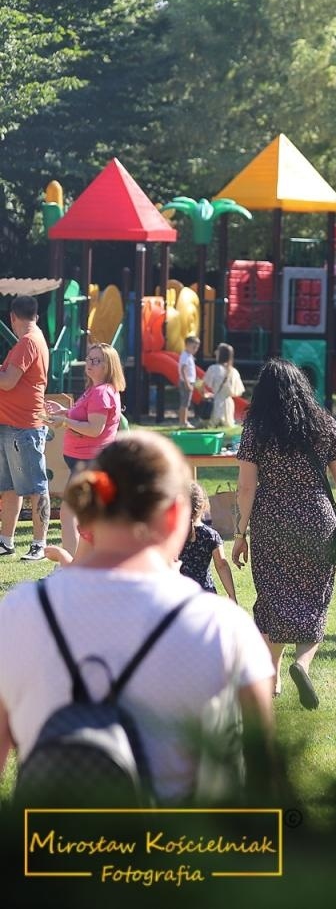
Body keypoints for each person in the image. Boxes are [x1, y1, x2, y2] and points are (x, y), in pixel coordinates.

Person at [0, 432, 276, 804]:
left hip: (50, 854)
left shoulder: (18, 613)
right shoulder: (222, 626)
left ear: (88, 514)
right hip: (172, 856)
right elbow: (265, 785)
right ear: (178, 514)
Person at [231, 358, 336, 710]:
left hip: (271, 520)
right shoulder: (323, 423)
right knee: (313, 599)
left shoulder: (256, 428)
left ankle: (270, 678)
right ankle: (301, 664)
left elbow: (245, 487)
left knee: (272, 596)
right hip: (317, 517)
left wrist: (240, 532)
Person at [45, 342, 125, 558]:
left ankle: (72, 564)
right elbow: (85, 417)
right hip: (84, 461)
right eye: (89, 358)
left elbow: (94, 429)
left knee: (69, 513)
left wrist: (64, 421)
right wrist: (66, 412)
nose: (90, 363)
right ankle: (83, 562)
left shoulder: (101, 392)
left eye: (97, 360)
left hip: (90, 461)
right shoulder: (94, 389)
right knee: (83, 516)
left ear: (108, 366)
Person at [0, 295, 51, 562]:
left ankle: (38, 544)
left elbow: (7, 382)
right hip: (13, 425)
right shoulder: (32, 340)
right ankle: (6, 541)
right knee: (9, 487)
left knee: (36, 487)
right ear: (36, 315)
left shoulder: (27, 341)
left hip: (24, 427)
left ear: (12, 317)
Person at [180, 482, 237, 603]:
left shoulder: (173, 535)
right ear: (204, 506)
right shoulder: (211, 535)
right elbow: (222, 565)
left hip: (178, 594)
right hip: (205, 595)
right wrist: (232, 595)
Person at [202, 343, 244, 427]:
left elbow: (205, 383)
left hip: (216, 401)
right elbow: (239, 391)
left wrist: (205, 394)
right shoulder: (233, 371)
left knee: (213, 423)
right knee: (227, 423)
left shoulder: (213, 369)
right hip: (228, 403)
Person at [177, 334, 201, 428]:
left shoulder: (189, 355)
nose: (195, 349)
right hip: (185, 382)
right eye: (193, 347)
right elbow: (183, 369)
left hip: (188, 381)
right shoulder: (185, 356)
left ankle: (184, 421)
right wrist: (187, 383)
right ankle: (183, 422)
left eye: (197, 347)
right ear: (187, 345)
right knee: (185, 403)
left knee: (186, 402)